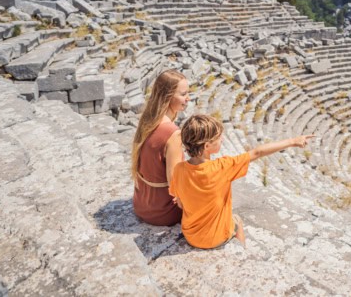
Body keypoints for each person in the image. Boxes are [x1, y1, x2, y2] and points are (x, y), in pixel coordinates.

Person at [169, 114, 313, 249]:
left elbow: (181, 204)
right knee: (237, 220)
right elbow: (257, 152)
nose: (222, 140)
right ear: (207, 146)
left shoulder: (179, 169)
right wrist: (292, 141)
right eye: (219, 138)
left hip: (191, 235)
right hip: (214, 239)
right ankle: (243, 249)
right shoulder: (222, 167)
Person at [131, 69, 191, 226]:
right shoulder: (173, 134)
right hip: (163, 212)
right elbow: (174, 181)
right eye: (183, 94)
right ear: (168, 96)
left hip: (142, 205)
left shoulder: (148, 120)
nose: (188, 98)